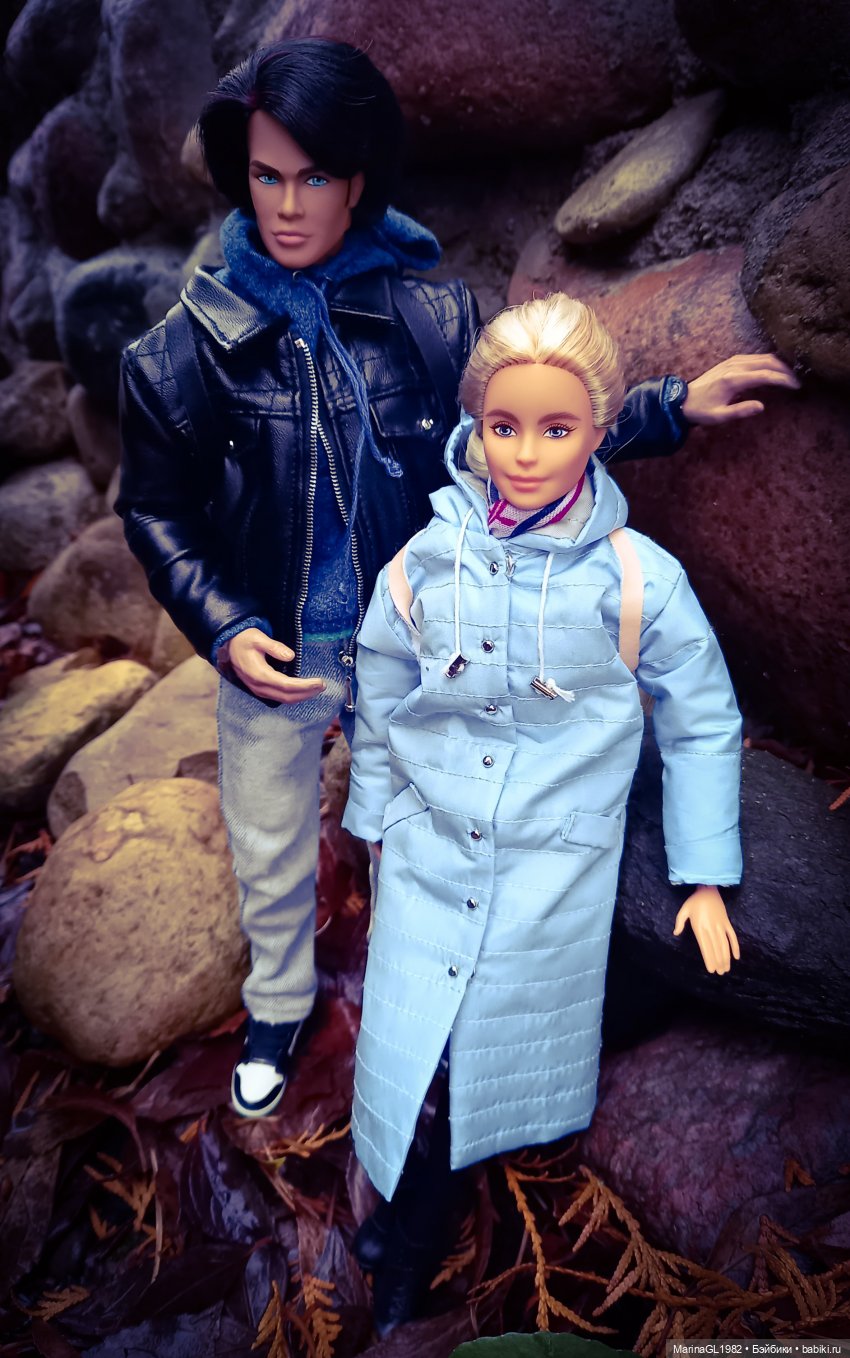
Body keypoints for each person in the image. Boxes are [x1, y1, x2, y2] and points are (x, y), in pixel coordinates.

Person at [116, 36, 798, 1121]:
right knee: (269, 842)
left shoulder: (430, 321)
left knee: (423, 829)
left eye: (315, 177)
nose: (287, 205)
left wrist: (667, 407)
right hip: (274, 653)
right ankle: (278, 1005)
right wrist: (224, 622)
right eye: (265, 175)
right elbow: (156, 514)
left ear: (359, 180)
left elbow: (520, 436)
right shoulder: (180, 352)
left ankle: (414, 1004)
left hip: (416, 638)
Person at [341, 293, 746, 1334]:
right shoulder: (423, 563)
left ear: (600, 430)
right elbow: (379, 687)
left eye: (555, 428)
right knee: (409, 1045)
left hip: (547, 867)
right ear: (473, 424)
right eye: (503, 425)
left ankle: (409, 1244)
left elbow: (701, 717)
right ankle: (402, 1222)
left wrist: (704, 873)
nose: (524, 454)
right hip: (429, 847)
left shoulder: (635, 578)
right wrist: (374, 818)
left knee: (476, 1054)